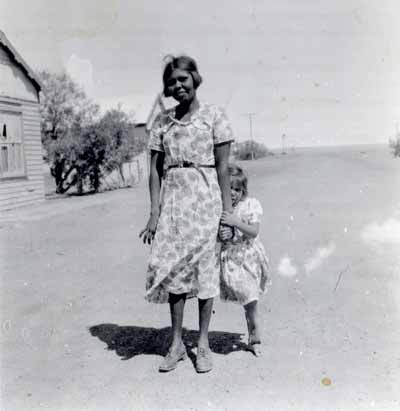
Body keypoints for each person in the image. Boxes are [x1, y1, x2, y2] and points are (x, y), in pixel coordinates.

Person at [139, 55, 234, 373]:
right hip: (174, 209)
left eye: (182, 79)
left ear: (195, 79)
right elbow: (154, 172)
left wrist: (227, 213)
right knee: (174, 272)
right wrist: (155, 212)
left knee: (205, 275)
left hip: (206, 204)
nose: (177, 86)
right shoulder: (162, 123)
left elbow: (223, 169)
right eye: (171, 82)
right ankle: (177, 344)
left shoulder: (214, 117)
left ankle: (203, 344)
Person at [219, 164, 270, 357]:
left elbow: (254, 231)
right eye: (229, 188)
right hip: (232, 260)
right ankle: (253, 335)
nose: (233, 193)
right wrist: (223, 233)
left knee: (251, 301)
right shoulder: (222, 207)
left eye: (237, 189)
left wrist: (235, 223)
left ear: (243, 190)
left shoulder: (249, 205)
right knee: (247, 300)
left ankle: (255, 340)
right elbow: (220, 235)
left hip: (249, 258)